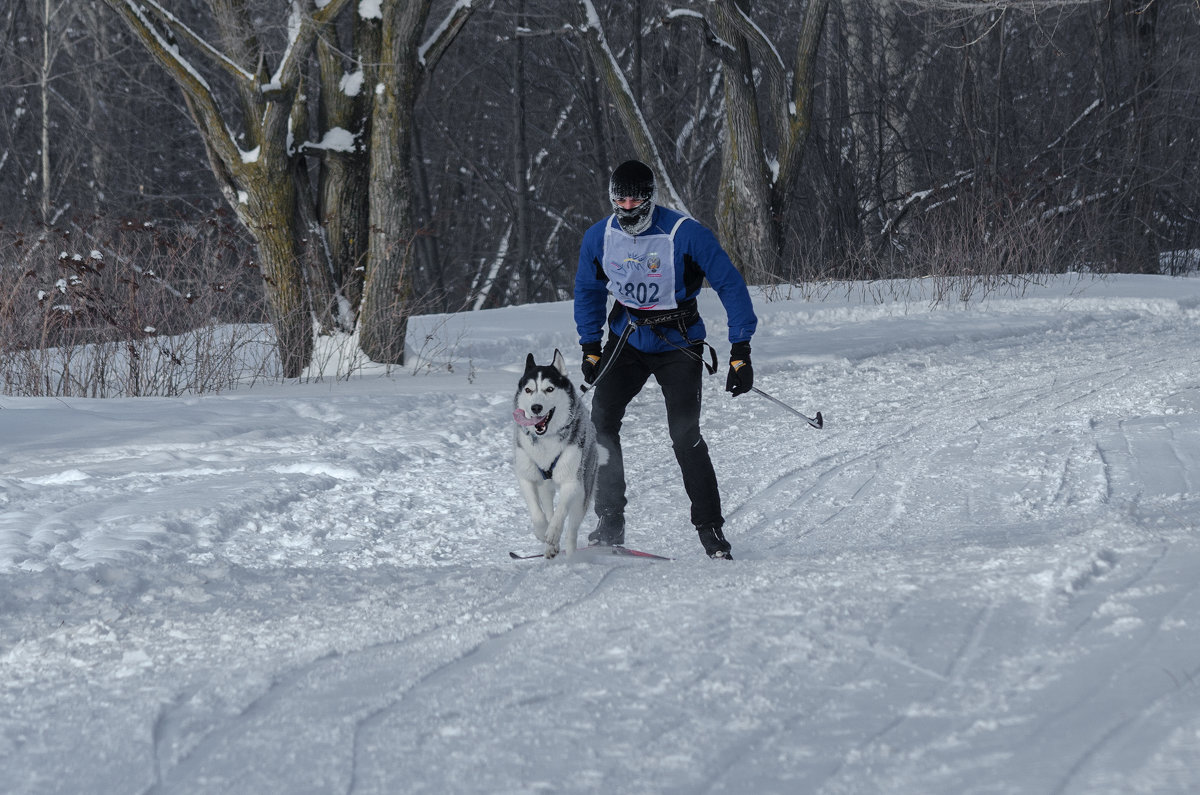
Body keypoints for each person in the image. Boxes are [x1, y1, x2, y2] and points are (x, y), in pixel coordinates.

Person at [574, 159, 757, 560]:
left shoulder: (685, 234)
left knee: (684, 435)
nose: (626, 206)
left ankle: (710, 528)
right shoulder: (599, 237)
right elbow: (588, 290)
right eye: (619, 199)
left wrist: (740, 350)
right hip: (628, 340)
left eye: (635, 198)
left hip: (678, 343)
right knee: (600, 423)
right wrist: (590, 345)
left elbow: (730, 284)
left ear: (650, 198)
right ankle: (609, 520)